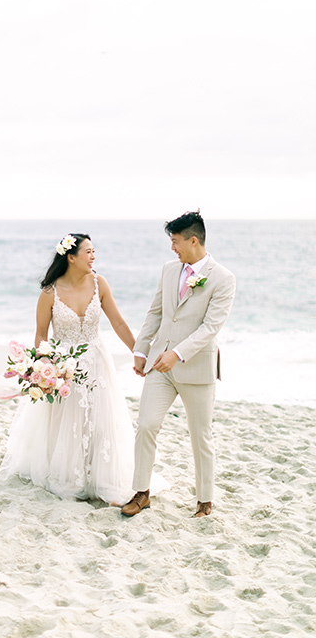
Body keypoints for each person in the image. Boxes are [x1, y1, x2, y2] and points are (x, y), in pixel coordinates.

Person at [0, 233, 169, 504]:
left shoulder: (99, 283)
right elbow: (41, 337)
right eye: (88, 252)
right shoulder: (49, 293)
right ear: (71, 257)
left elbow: (119, 323)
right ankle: (71, 475)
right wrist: (46, 368)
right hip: (64, 366)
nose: (93, 256)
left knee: (100, 418)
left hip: (97, 360)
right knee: (67, 420)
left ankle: (100, 477)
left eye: (94, 251)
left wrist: (140, 353)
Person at [121, 211, 236, 518]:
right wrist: (141, 349)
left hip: (197, 369)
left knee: (201, 435)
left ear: (193, 240)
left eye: (175, 241)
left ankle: (204, 500)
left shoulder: (223, 279)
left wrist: (178, 354)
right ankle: (141, 492)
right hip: (161, 365)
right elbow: (156, 312)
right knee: (146, 425)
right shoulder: (170, 270)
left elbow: (210, 327)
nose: (172, 248)